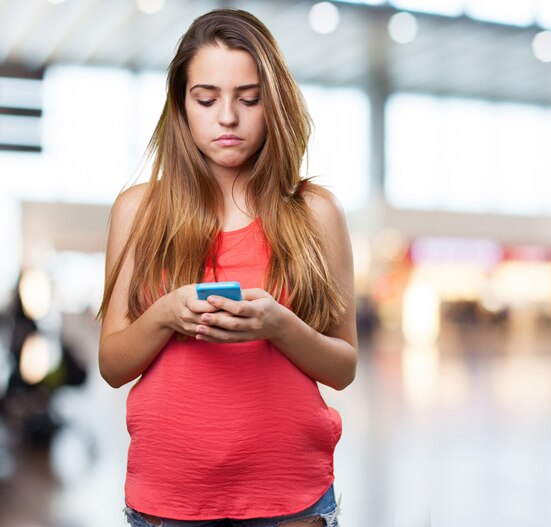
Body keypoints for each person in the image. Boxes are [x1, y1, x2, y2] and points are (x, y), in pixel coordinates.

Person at [97, 8, 357, 527]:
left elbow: (343, 367)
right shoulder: (138, 210)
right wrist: (167, 314)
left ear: (274, 103)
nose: (228, 118)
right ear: (182, 105)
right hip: (169, 495)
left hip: (288, 495)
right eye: (207, 99)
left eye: (249, 98)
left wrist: (280, 326)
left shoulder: (316, 212)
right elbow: (112, 365)